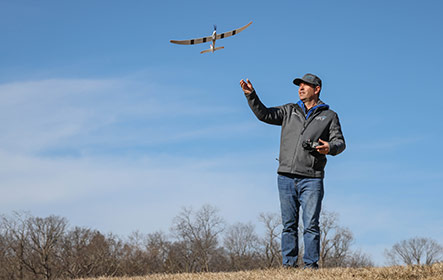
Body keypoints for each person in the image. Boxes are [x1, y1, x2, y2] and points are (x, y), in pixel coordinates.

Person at [240, 73, 345, 269]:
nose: (301, 88)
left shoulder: (329, 116)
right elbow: (265, 114)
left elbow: (340, 142)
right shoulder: (289, 110)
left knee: (311, 225)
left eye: (306, 85)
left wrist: (329, 148)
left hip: (312, 178)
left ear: (317, 89)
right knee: (289, 225)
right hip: (286, 177)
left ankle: (311, 266)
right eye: (299, 85)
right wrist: (251, 95)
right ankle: (288, 265)